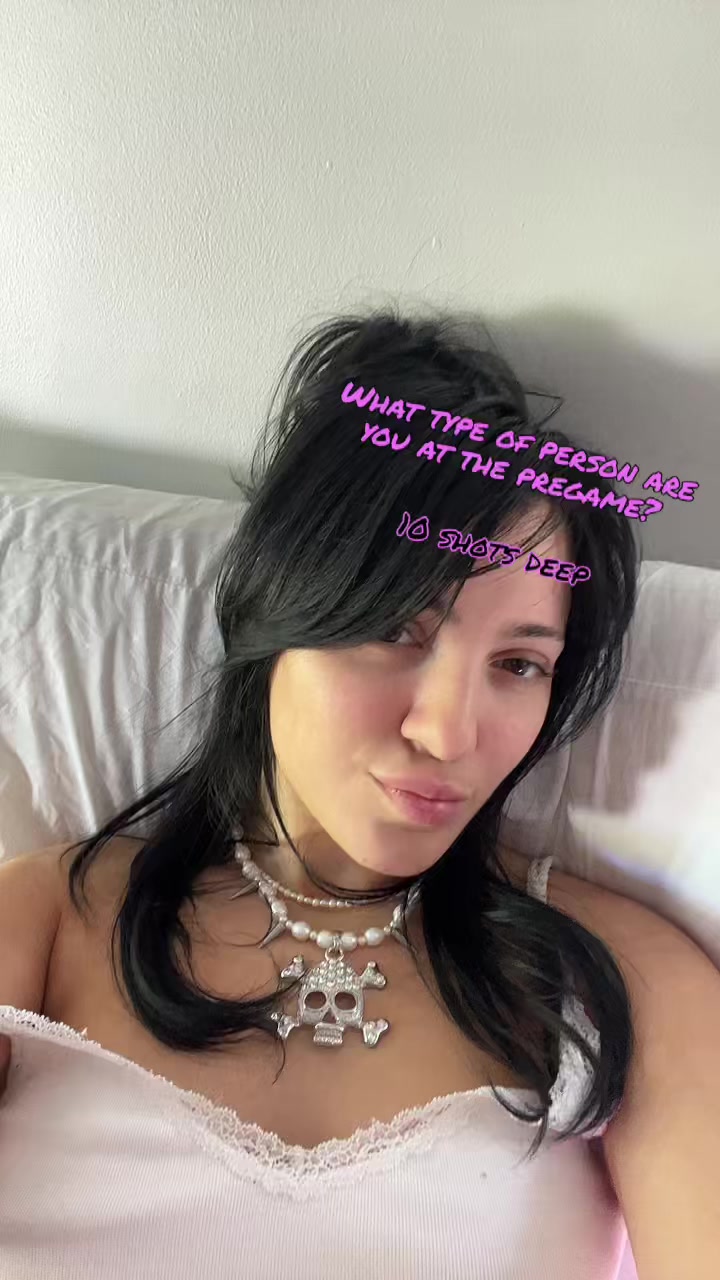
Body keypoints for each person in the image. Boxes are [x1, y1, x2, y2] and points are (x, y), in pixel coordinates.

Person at [0, 307, 642, 1277]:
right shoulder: (47, 920)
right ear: (279, 609)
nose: (448, 733)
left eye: (519, 663)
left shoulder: (616, 980)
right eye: (394, 628)